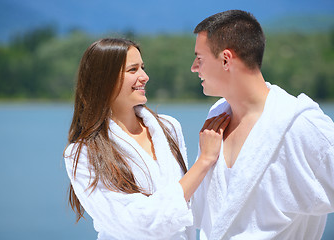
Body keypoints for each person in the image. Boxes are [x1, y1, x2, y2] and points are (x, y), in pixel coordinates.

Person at [63, 38, 230, 239]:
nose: (145, 76)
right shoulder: (83, 153)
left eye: (143, 67)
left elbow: (190, 203)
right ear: (103, 79)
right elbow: (137, 223)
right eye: (133, 70)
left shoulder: (169, 128)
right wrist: (204, 161)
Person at [190, 10, 334, 240]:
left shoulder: (299, 125)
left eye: (199, 58)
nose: (194, 68)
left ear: (226, 59)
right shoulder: (216, 118)